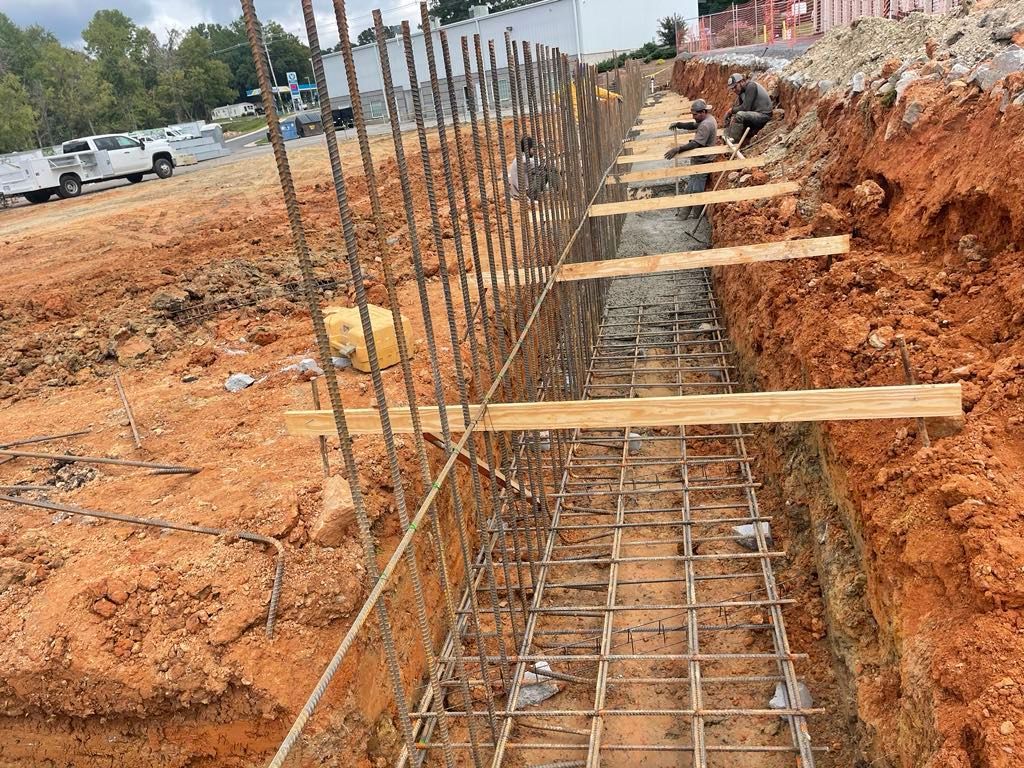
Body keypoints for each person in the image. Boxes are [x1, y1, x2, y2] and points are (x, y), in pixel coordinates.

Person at [661, 98, 718, 219]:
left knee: (696, 189)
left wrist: (677, 149)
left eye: (695, 114)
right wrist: (679, 124)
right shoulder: (708, 119)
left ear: (703, 112)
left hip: (703, 161)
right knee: (691, 186)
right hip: (701, 159)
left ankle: (695, 215)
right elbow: (692, 125)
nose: (693, 117)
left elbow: (695, 144)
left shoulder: (706, 125)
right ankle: (684, 214)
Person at [722, 72, 772, 143]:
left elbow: (745, 108)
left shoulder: (751, 86)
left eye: (735, 87)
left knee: (739, 115)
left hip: (763, 115)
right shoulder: (741, 92)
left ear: (742, 82)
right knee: (735, 117)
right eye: (732, 88)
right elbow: (740, 107)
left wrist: (731, 111)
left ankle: (734, 142)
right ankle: (729, 137)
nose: (734, 90)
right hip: (755, 114)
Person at [508, 135, 561, 201]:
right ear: (527, 149)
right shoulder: (524, 160)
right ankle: (562, 191)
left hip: (523, 191)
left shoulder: (520, 158)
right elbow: (545, 166)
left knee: (546, 170)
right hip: (526, 193)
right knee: (547, 172)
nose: (535, 151)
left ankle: (560, 190)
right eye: (533, 149)